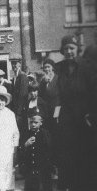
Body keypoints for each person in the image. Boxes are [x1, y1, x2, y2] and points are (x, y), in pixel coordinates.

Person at [56, 35, 96, 190]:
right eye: (65, 49)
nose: (68, 52)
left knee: (85, 160)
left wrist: (91, 115)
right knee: (69, 160)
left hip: (85, 123)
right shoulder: (60, 69)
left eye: (71, 48)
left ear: (77, 49)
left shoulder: (87, 67)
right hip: (67, 123)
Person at [20, 114, 52, 191]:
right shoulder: (26, 133)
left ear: (41, 123)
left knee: (45, 187)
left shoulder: (45, 134)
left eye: (36, 122)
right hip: (30, 167)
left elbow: (49, 150)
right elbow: (21, 150)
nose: (33, 124)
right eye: (31, 122)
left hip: (43, 168)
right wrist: (25, 144)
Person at [39, 59, 60, 166]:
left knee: (57, 137)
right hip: (47, 113)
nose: (47, 69)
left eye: (48, 67)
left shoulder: (57, 78)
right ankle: (51, 164)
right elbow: (41, 96)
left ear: (53, 67)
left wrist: (57, 113)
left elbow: (60, 97)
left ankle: (57, 163)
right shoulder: (43, 80)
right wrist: (43, 83)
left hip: (57, 113)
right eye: (45, 67)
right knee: (48, 138)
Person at [10, 57, 29, 134]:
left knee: (20, 130)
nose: (13, 65)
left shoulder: (22, 76)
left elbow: (23, 94)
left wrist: (18, 112)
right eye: (12, 63)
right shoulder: (15, 76)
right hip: (15, 110)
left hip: (20, 111)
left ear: (19, 64)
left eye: (15, 63)